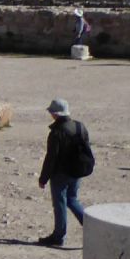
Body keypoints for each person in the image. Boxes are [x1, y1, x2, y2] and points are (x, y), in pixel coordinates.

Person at [36, 98, 93, 247]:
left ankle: (58, 236)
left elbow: (51, 158)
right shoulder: (80, 126)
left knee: (60, 203)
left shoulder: (57, 132)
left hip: (61, 173)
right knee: (72, 199)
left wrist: (43, 178)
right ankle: (92, 227)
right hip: (77, 170)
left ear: (55, 114)